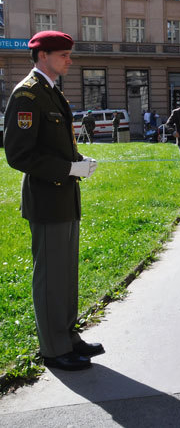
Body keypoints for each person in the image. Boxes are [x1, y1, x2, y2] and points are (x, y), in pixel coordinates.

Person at [4, 31, 103, 371]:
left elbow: (56, 144)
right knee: (50, 277)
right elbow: (18, 155)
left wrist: (78, 161)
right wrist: (68, 168)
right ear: (42, 55)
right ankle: (53, 348)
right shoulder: (28, 95)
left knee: (66, 274)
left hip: (63, 196)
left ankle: (67, 337)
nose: (69, 60)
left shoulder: (50, 91)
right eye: (64, 55)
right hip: (47, 199)